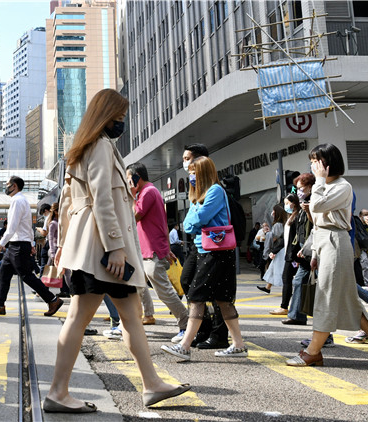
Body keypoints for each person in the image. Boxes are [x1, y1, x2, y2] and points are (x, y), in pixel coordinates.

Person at [44, 89, 188, 413]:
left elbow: (67, 204)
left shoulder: (82, 148)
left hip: (92, 248)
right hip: (103, 251)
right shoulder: (100, 146)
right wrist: (116, 248)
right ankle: (58, 392)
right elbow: (101, 199)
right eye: (119, 115)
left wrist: (65, 243)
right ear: (106, 115)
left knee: (129, 316)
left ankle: (150, 384)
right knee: (83, 317)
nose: (122, 120)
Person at [286, 143, 368, 367]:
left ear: (328, 163)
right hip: (324, 242)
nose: (312, 165)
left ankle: (313, 351)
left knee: (326, 298)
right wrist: (314, 252)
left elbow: (319, 206)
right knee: (349, 302)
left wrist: (320, 181)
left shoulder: (342, 186)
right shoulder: (326, 186)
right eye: (311, 160)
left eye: (316, 160)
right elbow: (317, 222)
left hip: (336, 242)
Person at [162, 156, 248, 361]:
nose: (191, 176)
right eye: (190, 172)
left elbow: (196, 221)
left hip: (215, 252)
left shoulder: (215, 191)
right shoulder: (199, 195)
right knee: (223, 300)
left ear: (204, 173)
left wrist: (196, 216)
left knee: (197, 296)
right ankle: (238, 345)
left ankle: (184, 347)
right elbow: (189, 225)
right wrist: (195, 217)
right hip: (209, 251)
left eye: (194, 172)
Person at [0, 176, 64, 317]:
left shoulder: (17, 201)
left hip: (18, 245)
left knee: (26, 275)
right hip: (17, 244)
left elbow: (12, 226)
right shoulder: (22, 201)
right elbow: (27, 225)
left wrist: (1, 243)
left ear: (14, 186)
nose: (6, 187)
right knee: (3, 273)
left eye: (7, 184)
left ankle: (52, 300)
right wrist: (31, 243)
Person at [126, 162, 189, 342]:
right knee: (135, 289)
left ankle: (186, 323)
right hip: (145, 251)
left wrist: (131, 196)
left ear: (137, 177)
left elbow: (134, 216)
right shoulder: (146, 193)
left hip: (152, 252)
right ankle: (128, 323)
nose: (128, 182)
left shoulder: (148, 192)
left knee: (164, 291)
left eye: (130, 178)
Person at [283, 173, 316, 326]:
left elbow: (317, 225)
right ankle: (297, 315)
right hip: (305, 250)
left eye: (301, 188)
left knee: (339, 284)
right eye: (297, 189)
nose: (299, 192)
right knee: (298, 281)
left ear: (310, 186)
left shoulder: (316, 201)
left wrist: (309, 210)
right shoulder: (303, 203)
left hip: (315, 249)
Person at [269, 195, 301, 316]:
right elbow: (285, 239)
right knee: (292, 280)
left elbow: (296, 239)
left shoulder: (298, 217)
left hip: (294, 256)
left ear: (294, 203)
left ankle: (285, 307)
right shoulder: (290, 217)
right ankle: (292, 308)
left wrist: (295, 256)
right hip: (291, 255)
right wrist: (274, 250)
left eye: (287, 203)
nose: (285, 206)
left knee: (288, 279)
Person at [257, 205, 287, 295]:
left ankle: (287, 289)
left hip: (279, 250)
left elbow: (275, 238)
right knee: (272, 268)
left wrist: (267, 234)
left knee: (279, 269)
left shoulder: (278, 225)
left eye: (273, 211)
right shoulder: (281, 224)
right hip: (279, 250)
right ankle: (267, 287)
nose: (272, 213)